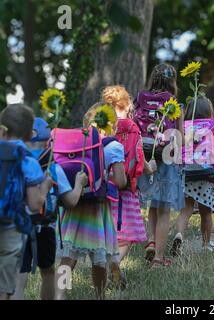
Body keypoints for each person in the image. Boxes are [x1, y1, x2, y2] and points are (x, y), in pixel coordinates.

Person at [56, 102, 127, 300]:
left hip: (74, 203)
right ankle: (99, 295)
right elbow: (121, 181)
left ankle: (59, 294)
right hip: (97, 208)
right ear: (113, 124)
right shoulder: (114, 146)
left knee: (68, 256)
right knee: (99, 258)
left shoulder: (78, 142)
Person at [11, 117, 87, 300]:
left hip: (16, 226)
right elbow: (70, 201)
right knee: (48, 272)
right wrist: (79, 183)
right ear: (48, 141)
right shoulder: (52, 167)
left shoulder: (14, 162)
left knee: (19, 277)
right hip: (44, 227)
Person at [102, 86, 156, 287]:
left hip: (105, 188)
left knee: (110, 232)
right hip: (126, 190)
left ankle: (108, 262)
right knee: (128, 236)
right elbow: (139, 159)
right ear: (128, 105)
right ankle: (115, 262)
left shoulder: (103, 127)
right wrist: (150, 168)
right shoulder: (133, 128)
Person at [0, 104, 52, 300]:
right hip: (11, 230)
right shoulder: (28, 161)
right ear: (30, 135)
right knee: (4, 287)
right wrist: (45, 186)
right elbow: (33, 204)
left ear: (2, 131)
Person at [137, 63, 185, 267]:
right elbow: (180, 137)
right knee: (163, 208)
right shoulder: (175, 105)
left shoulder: (140, 99)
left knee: (152, 207)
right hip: (165, 157)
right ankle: (158, 258)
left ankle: (151, 241)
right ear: (172, 81)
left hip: (145, 156)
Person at [171, 97, 214, 255]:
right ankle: (206, 244)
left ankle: (179, 235)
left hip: (186, 172)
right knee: (206, 213)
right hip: (206, 173)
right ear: (209, 111)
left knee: (185, 210)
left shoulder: (183, 126)